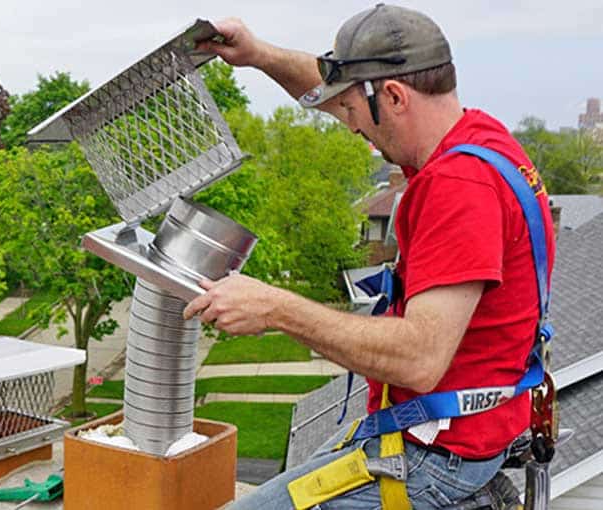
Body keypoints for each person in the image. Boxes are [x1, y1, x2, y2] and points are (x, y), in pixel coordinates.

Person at [182, 3, 556, 509]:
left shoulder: (459, 187)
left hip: (436, 459)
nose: (350, 126)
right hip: (449, 433)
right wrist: (260, 55)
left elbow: (420, 358)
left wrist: (275, 308)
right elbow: (332, 89)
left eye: (352, 112)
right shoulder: (480, 138)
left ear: (395, 96)